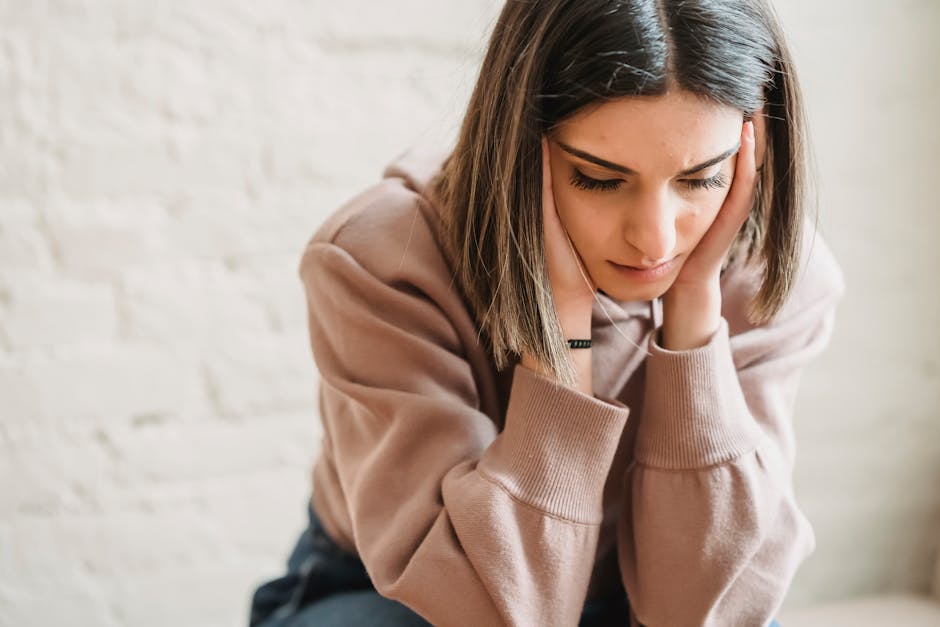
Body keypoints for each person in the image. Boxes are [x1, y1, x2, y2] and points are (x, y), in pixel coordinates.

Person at [249, 0, 844, 625]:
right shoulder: (383, 262)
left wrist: (693, 317)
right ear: (517, 142)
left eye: (700, 179)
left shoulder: (774, 270)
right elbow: (492, 609)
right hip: (405, 594)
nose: (658, 241)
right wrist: (558, 330)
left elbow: (693, 611)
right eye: (598, 178)